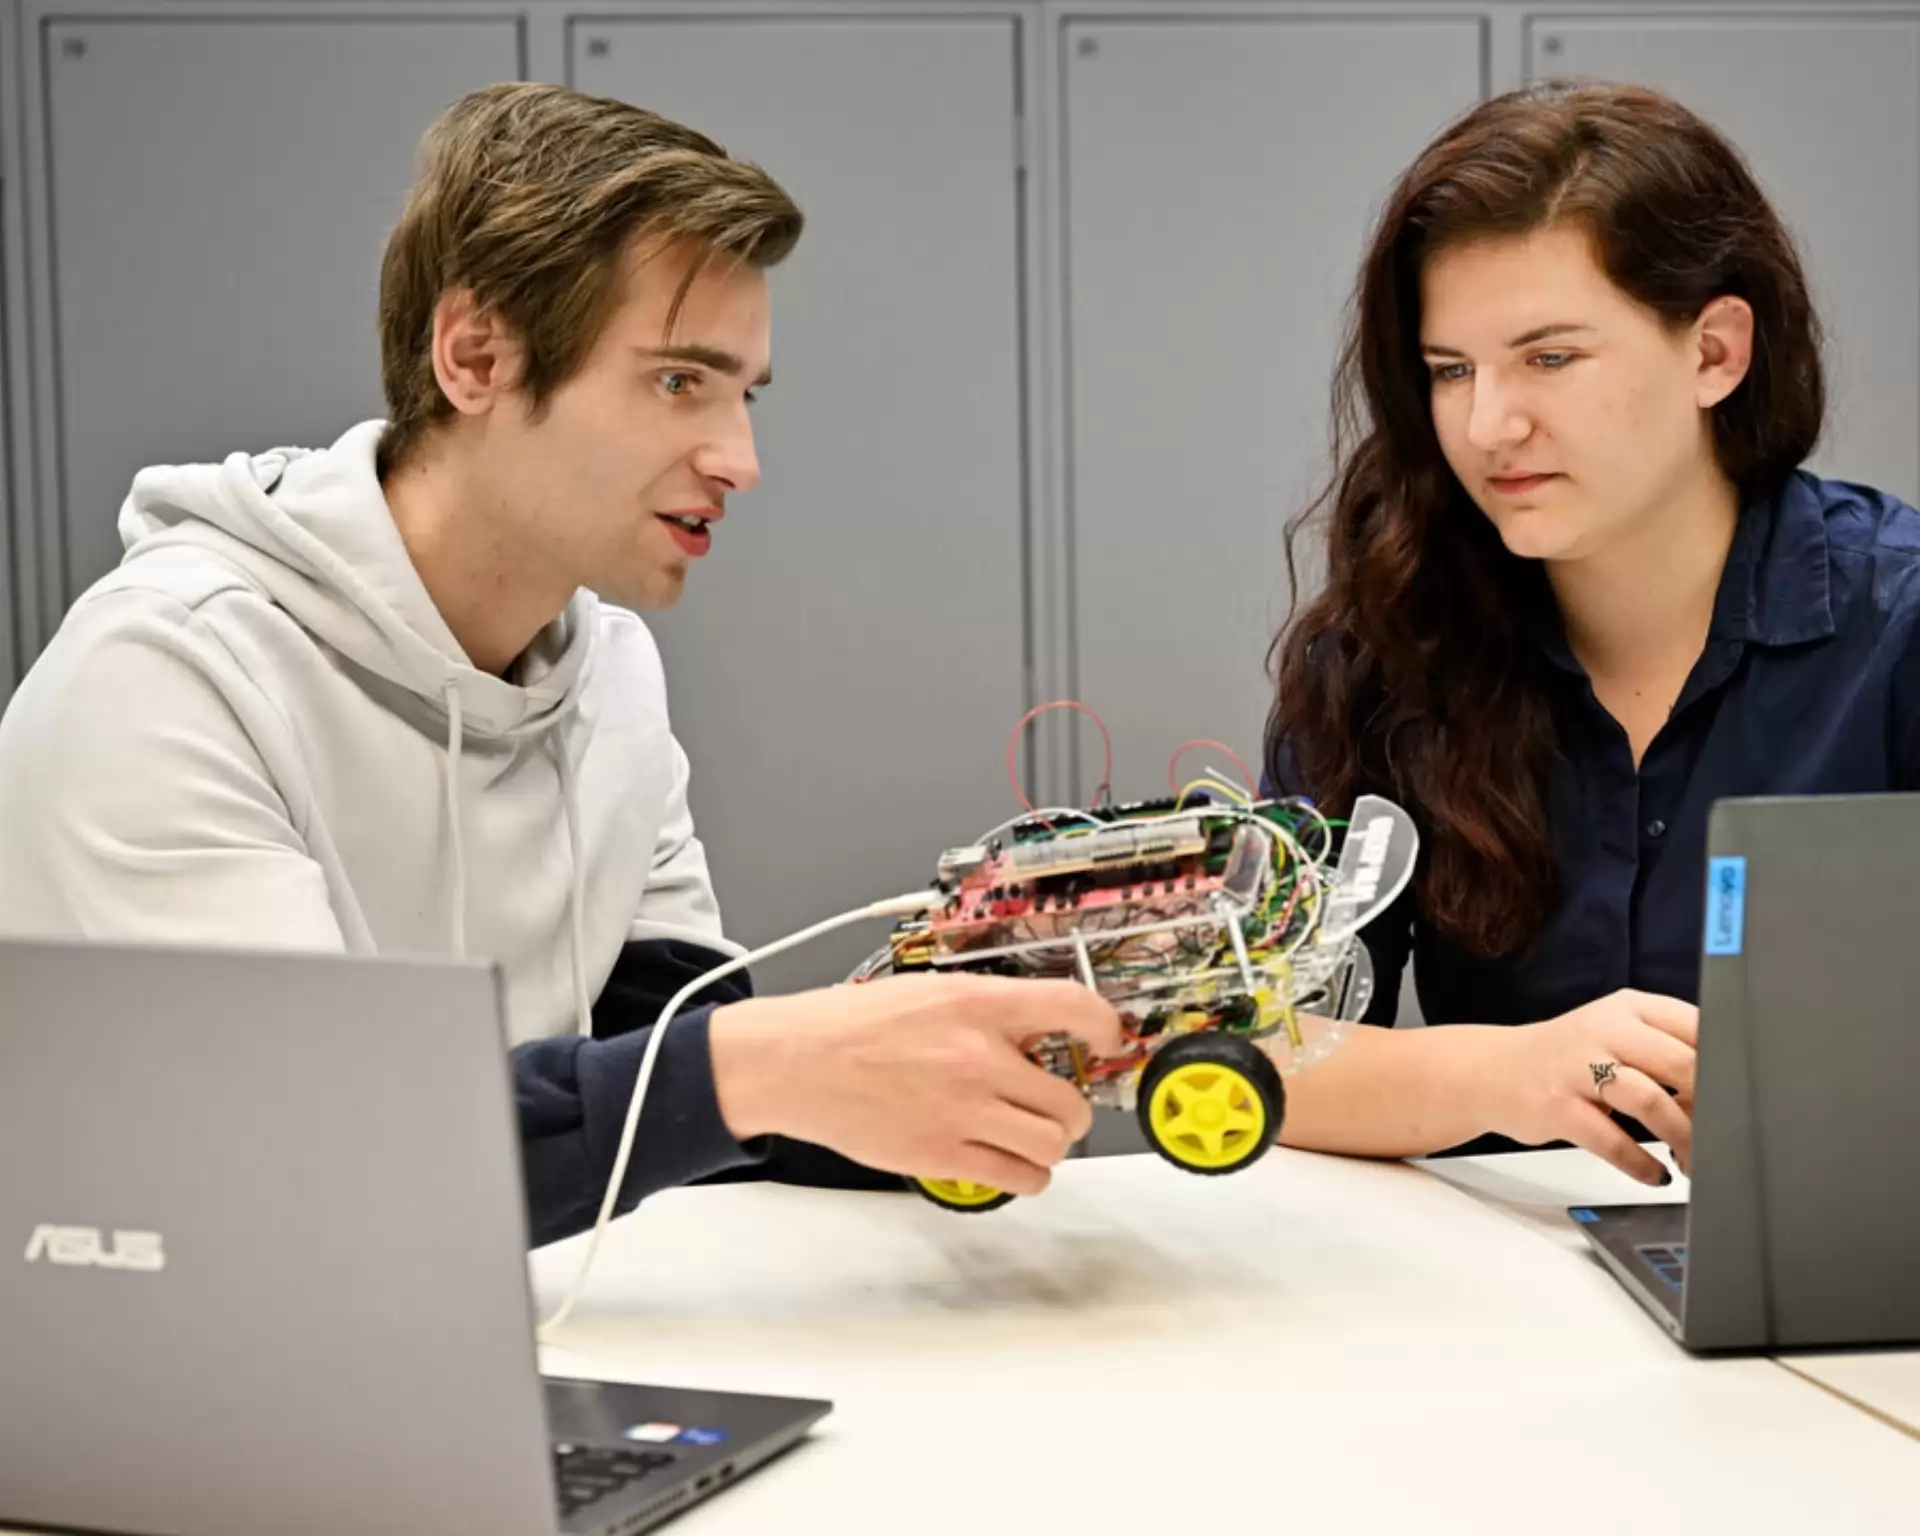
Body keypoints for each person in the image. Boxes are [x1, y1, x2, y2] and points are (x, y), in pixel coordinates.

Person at [0, 82, 1121, 1246]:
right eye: (680, 381)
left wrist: (950, 1055)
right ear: (476, 357)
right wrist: (762, 1067)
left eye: (746, 394)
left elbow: (663, 1058)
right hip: (182, 1387)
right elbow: (315, 1159)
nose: (740, 459)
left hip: (478, 1342)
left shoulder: (610, 675)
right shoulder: (171, 678)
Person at [1264, 79, 1920, 1188]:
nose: (1489, 426)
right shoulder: (1385, 648)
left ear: (1715, 352)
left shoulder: (1896, 629)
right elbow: (1263, 1055)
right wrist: (1514, 1075)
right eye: (1450, 371)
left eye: (1550, 358)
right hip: (1505, 1297)